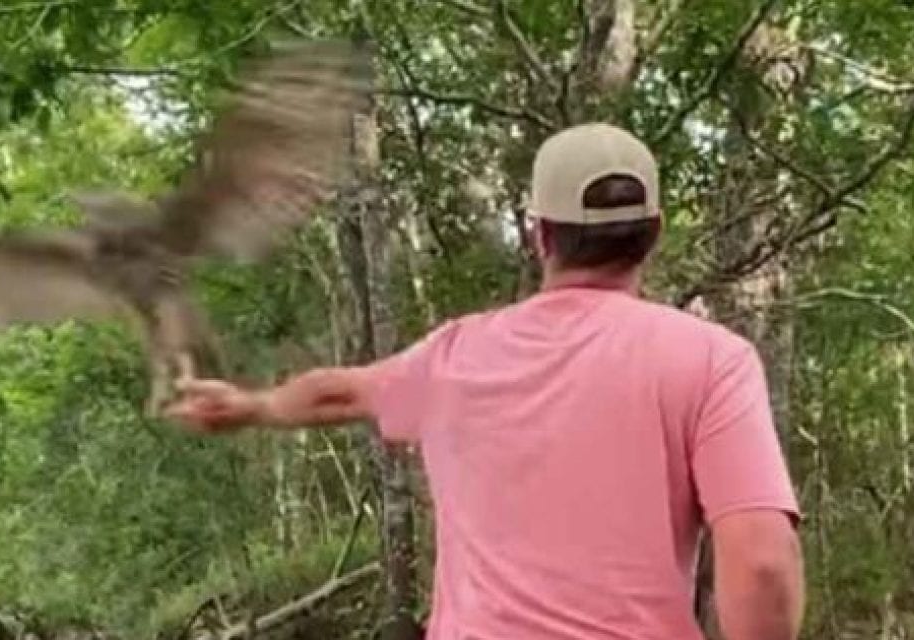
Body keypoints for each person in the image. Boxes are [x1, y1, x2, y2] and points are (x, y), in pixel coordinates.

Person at [166, 123, 805, 640]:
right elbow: (763, 564)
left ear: (540, 234)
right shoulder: (712, 359)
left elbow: (340, 391)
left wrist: (250, 405)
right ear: (654, 233)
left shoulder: (458, 356)